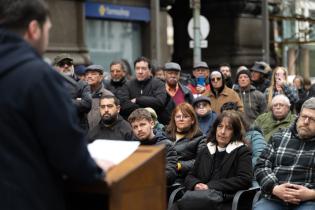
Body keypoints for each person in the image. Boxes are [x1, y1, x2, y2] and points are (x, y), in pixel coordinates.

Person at [0, 1, 113, 210]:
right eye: (48, 30)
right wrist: (95, 169)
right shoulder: (38, 76)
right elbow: (66, 147)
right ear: (34, 29)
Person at [175, 111, 252, 210]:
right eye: (220, 126)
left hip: (226, 201)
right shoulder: (206, 149)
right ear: (215, 128)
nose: (222, 132)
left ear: (235, 132)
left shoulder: (242, 151)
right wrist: (196, 184)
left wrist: (210, 186)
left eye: (228, 128)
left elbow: (244, 179)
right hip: (200, 198)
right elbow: (191, 175)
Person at [254, 97, 315, 210]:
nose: (306, 122)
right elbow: (261, 165)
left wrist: (311, 194)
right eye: (304, 117)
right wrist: (274, 188)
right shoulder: (279, 137)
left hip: (308, 201)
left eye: (312, 119)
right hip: (275, 197)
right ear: (298, 115)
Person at [128, 108, 177, 186]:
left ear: (152, 124)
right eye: (135, 127)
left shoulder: (166, 145)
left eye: (142, 124)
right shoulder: (133, 147)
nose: (139, 129)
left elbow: (170, 174)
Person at [165, 103, 206, 184]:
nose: (181, 119)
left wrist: (180, 165)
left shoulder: (200, 138)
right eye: (178, 116)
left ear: (192, 120)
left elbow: (200, 161)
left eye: (185, 116)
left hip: (181, 178)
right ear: (174, 119)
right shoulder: (165, 134)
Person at [119, 56, 168, 124]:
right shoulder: (128, 85)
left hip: (155, 127)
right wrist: (148, 106)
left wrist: (138, 100)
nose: (140, 71)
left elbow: (160, 102)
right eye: (137, 68)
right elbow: (123, 105)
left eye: (143, 68)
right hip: (132, 126)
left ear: (150, 70)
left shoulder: (158, 84)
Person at [53, 53, 92, 131]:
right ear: (55, 68)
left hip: (78, 128)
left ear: (73, 66)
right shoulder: (50, 84)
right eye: (62, 64)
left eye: (69, 63)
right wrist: (76, 101)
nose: (66, 66)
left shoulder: (82, 84)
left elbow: (87, 104)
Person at [85, 64, 113, 130]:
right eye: (87, 74)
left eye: (93, 74)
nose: (89, 76)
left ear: (101, 77)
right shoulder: (81, 94)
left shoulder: (108, 96)